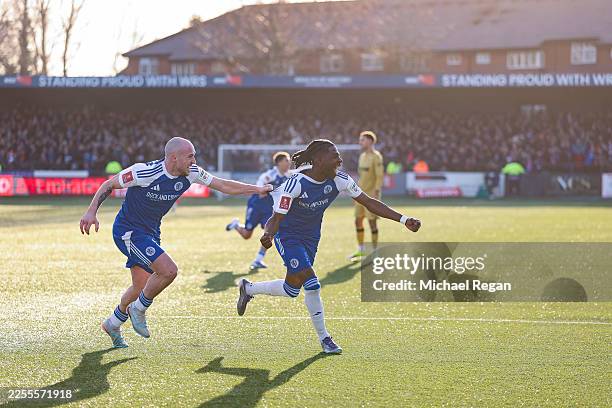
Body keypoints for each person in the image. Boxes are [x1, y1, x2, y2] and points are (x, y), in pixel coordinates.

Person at [79, 137, 271, 348]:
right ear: (173, 158)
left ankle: (112, 323)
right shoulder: (144, 172)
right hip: (128, 231)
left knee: (140, 286)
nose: (194, 160)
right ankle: (139, 309)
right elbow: (109, 184)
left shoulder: (192, 173)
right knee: (168, 271)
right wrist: (91, 212)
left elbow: (223, 185)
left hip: (151, 232)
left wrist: (257, 189)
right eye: (190, 156)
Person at [236, 139, 421, 354]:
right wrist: (268, 235)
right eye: (334, 155)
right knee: (312, 283)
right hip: (288, 236)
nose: (339, 159)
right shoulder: (295, 184)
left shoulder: (340, 180)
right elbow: (276, 218)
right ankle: (326, 339)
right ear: (318, 160)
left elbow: (369, 202)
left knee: (292, 289)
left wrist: (403, 219)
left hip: (311, 238)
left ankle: (248, 289)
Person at [226, 152, 291, 270]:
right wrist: (265, 190)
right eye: (287, 160)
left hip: (269, 209)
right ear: (279, 162)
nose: (289, 163)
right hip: (256, 205)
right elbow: (260, 188)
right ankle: (236, 225)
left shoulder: (287, 177)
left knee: (271, 232)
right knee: (246, 235)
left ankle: (258, 260)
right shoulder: (270, 175)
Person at [349, 131, 384, 262]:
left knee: (372, 223)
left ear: (370, 141)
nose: (360, 142)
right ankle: (361, 250)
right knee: (357, 221)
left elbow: (380, 176)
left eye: (362, 140)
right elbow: (361, 176)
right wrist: (355, 194)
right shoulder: (362, 156)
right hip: (360, 195)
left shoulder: (377, 157)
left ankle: (375, 252)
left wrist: (376, 192)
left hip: (371, 196)